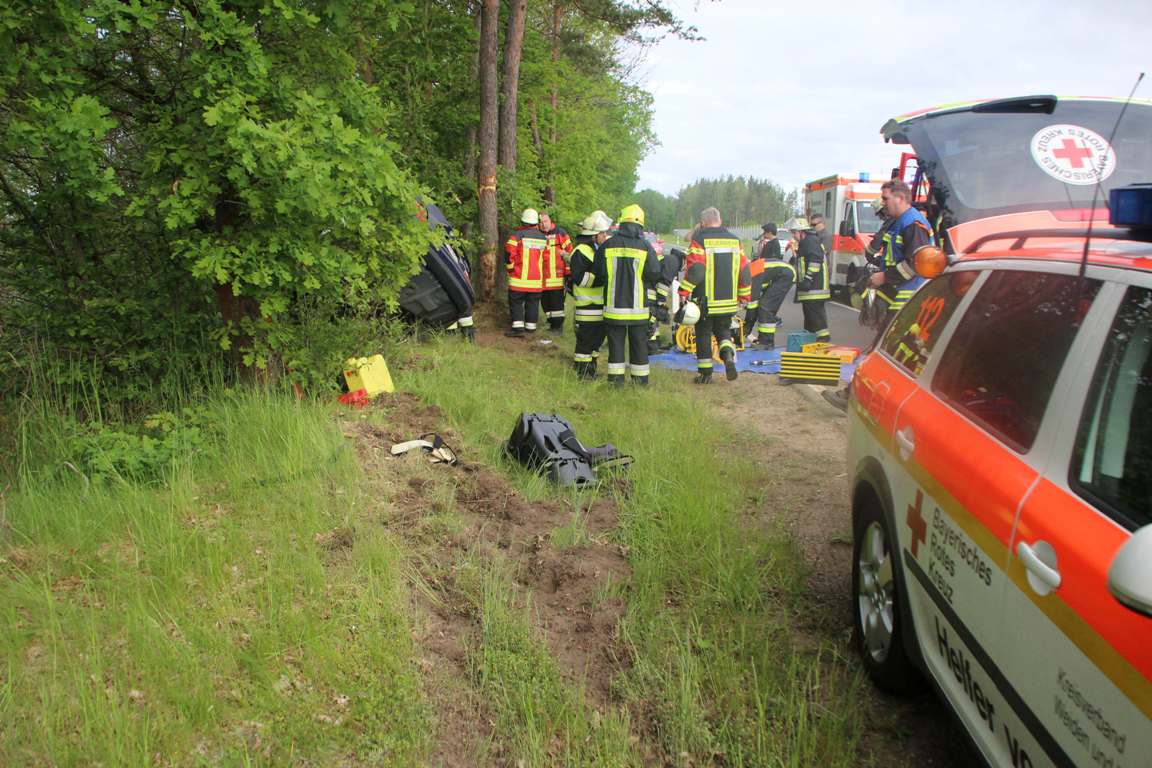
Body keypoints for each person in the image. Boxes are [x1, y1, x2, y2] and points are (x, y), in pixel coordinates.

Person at [822, 180, 937, 411]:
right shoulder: (899, 223)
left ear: (901, 198)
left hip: (908, 298)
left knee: (882, 351)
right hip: (898, 295)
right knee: (891, 353)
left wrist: (884, 278)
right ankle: (865, 398)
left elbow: (917, 264)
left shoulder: (913, 225)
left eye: (885, 199)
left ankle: (854, 396)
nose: (882, 204)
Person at [678, 206, 752, 383]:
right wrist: (744, 297)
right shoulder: (736, 241)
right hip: (727, 301)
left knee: (703, 333)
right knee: (723, 331)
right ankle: (727, 355)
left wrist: (684, 291)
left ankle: (705, 374)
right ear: (720, 221)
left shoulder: (699, 240)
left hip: (705, 301)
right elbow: (745, 272)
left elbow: (696, 271)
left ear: (703, 223)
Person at [594, 203, 662, 386]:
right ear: (641, 225)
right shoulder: (646, 246)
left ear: (621, 223)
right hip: (638, 308)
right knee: (639, 345)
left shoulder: (607, 245)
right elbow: (655, 272)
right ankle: (640, 382)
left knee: (615, 346)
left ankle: (616, 381)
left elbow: (598, 271)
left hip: (613, 308)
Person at [567, 210, 613, 379]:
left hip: (598, 307)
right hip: (587, 309)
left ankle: (591, 370)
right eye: (602, 233)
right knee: (585, 344)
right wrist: (602, 280)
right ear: (594, 235)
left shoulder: (594, 251)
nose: (605, 236)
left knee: (595, 343)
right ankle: (583, 373)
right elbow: (580, 279)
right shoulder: (581, 251)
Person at [748, 222, 795, 349]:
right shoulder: (750, 273)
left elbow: (752, 307)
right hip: (780, 274)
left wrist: (745, 330)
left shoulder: (752, 277)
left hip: (785, 275)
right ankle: (764, 340)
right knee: (764, 305)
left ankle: (767, 342)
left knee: (765, 307)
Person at [504, 208, 547, 337]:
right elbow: (545, 258)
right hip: (536, 281)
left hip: (519, 279)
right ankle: (531, 327)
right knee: (533, 303)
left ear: (523, 221)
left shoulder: (516, 236)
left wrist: (511, 269)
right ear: (536, 222)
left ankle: (518, 328)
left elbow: (508, 255)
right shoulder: (543, 238)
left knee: (516, 302)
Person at [789, 217, 831, 342]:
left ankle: (822, 340)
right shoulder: (806, 242)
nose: (794, 236)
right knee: (810, 319)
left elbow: (815, 261)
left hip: (814, 288)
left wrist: (807, 279)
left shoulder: (810, 241)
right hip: (810, 289)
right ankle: (812, 341)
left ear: (802, 232)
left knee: (816, 317)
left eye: (795, 233)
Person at [539, 211, 572, 334]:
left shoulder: (560, 232)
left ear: (550, 220)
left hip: (557, 277)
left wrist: (568, 273)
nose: (543, 224)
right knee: (545, 303)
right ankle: (552, 324)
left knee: (556, 304)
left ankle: (558, 327)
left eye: (545, 221)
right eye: (541, 222)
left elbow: (569, 252)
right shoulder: (537, 234)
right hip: (542, 278)